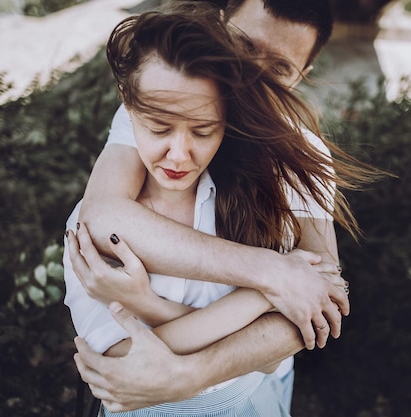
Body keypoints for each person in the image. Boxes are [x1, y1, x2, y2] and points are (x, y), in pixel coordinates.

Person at [67, 0, 377, 413]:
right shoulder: (165, 105)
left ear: (303, 74)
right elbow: (103, 216)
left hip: (255, 383)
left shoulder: (303, 154)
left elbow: (322, 295)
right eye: (244, 47)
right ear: (220, 25)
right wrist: (271, 275)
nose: (251, 77)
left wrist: (192, 374)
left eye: (279, 68)